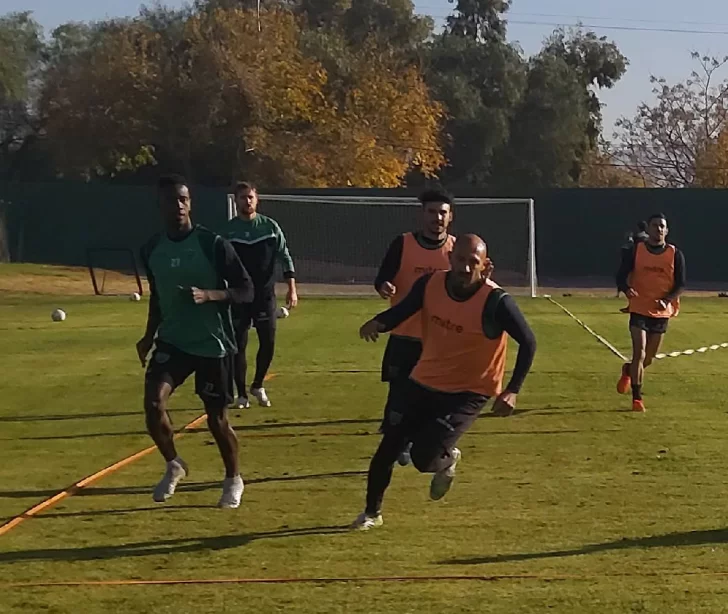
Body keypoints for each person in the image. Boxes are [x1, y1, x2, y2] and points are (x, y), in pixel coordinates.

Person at [351, 234, 537, 531]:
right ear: (450, 258)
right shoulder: (431, 284)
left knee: (423, 458)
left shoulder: (496, 301)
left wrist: (512, 390)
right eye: (460, 260)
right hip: (424, 379)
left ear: (486, 266)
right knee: (389, 446)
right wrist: (379, 322)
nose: (466, 268)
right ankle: (372, 513)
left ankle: (447, 459)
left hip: (468, 392)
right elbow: (404, 309)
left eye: (473, 262)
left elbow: (528, 342)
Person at [137, 175, 254, 508]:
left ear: (190, 204)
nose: (178, 206)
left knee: (217, 420)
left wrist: (210, 295)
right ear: (159, 205)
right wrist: (148, 335)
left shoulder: (212, 244)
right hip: (172, 341)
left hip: (212, 344)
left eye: (183, 200)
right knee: (153, 404)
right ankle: (174, 464)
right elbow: (158, 297)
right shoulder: (152, 249)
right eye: (171, 200)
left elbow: (247, 290)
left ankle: (233, 479)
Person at [373, 189, 456, 465]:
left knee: (433, 398)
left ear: (450, 217)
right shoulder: (403, 244)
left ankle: (421, 444)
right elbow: (382, 277)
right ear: (422, 215)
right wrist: (384, 286)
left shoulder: (456, 250)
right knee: (399, 397)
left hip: (439, 341)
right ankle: (396, 444)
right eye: (432, 212)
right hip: (403, 336)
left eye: (442, 213)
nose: (437, 218)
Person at [223, 182, 298, 409]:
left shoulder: (270, 227)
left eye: (251, 197)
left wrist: (292, 288)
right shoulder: (227, 231)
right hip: (238, 296)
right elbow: (218, 261)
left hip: (264, 296)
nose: (247, 201)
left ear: (257, 200)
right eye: (243, 197)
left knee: (268, 342)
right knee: (238, 345)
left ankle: (257, 385)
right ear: (235, 201)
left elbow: (285, 256)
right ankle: (241, 395)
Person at [615, 213, 686, 412]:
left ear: (667, 230)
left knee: (648, 359)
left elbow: (681, 284)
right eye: (655, 225)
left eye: (662, 226)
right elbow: (620, 275)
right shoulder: (636, 251)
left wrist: (666, 300)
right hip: (639, 307)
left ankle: (628, 370)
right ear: (648, 229)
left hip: (661, 311)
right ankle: (637, 398)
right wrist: (626, 289)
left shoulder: (675, 254)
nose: (659, 229)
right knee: (639, 352)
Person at [618, 221, 649, 306]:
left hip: (634, 262)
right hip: (645, 262)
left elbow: (630, 248)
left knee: (632, 284)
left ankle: (632, 304)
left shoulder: (637, 238)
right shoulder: (649, 238)